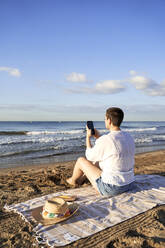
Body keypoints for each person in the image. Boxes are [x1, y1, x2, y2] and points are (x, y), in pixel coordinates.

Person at [66, 107, 135, 196]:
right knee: (99, 161)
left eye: (105, 119)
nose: (105, 121)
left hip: (111, 188)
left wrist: (88, 137)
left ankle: (72, 181)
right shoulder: (129, 137)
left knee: (81, 160)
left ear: (109, 120)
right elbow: (111, 149)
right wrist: (98, 137)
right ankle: (81, 179)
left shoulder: (106, 139)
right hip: (129, 183)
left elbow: (89, 156)